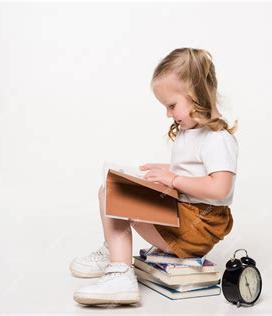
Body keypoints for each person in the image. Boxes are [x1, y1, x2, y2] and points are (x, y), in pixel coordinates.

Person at [70, 47, 239, 306]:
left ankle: (121, 274)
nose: (169, 114)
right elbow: (194, 173)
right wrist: (165, 174)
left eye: (172, 105)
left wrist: (174, 180)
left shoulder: (218, 139)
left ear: (197, 96)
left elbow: (220, 189)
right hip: (188, 215)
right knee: (110, 188)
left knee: (121, 196)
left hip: (197, 226)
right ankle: (113, 249)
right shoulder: (191, 131)